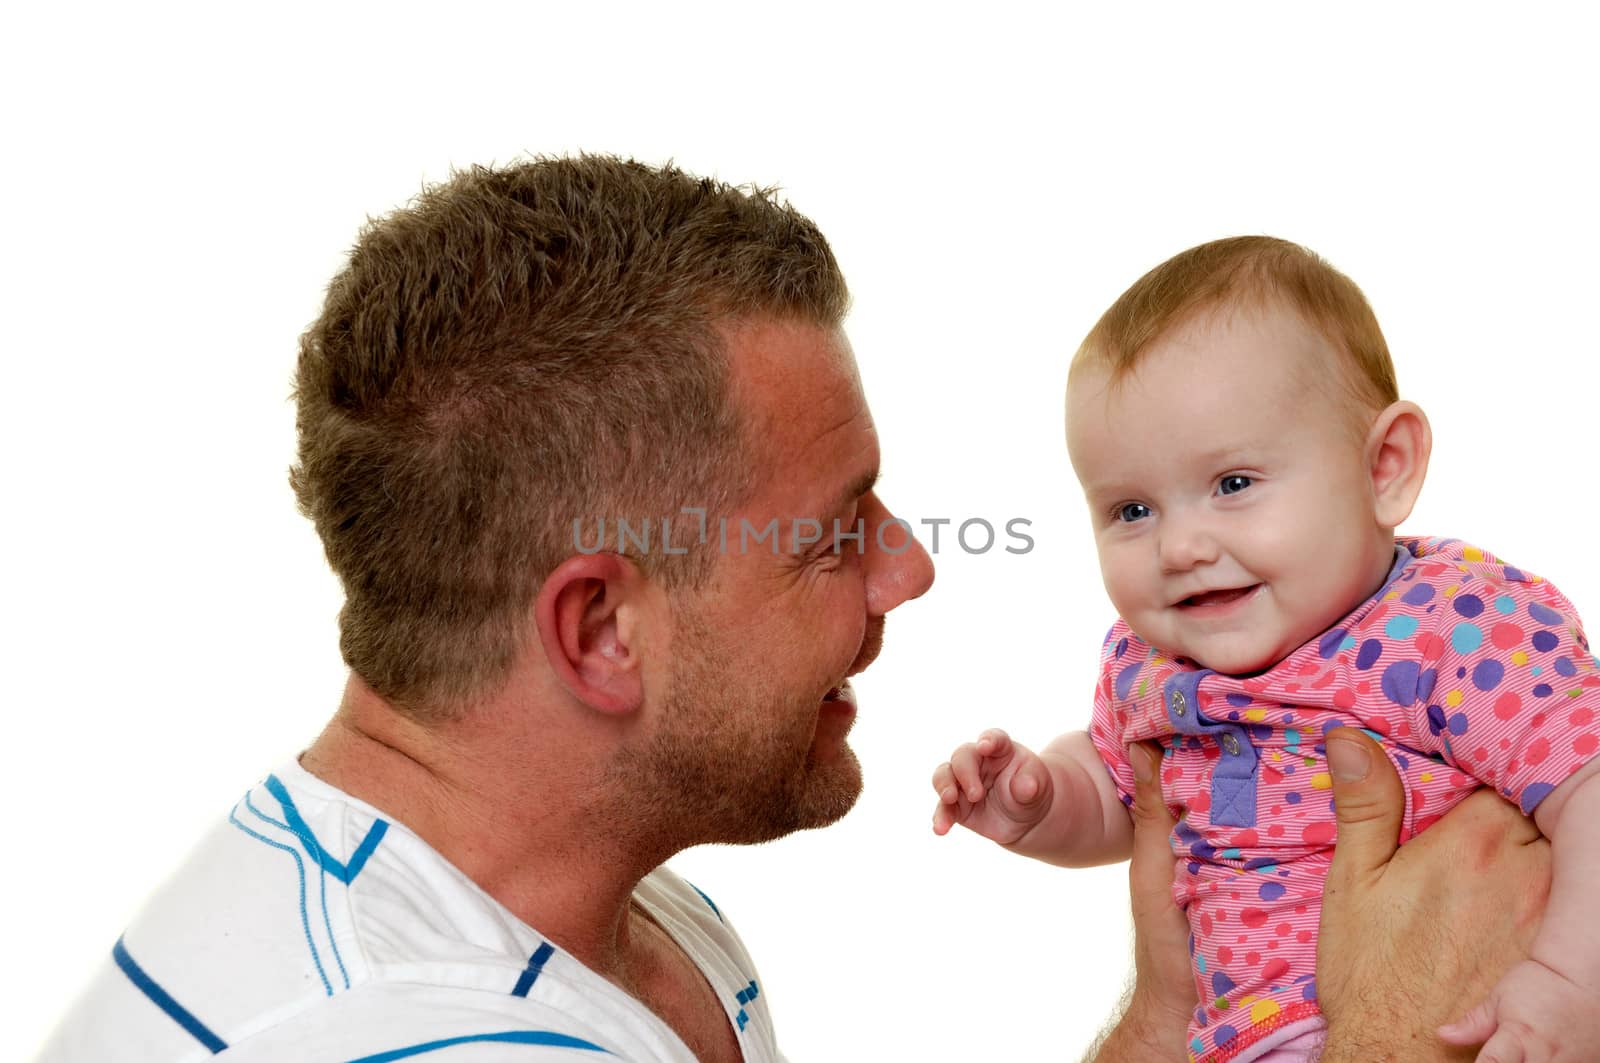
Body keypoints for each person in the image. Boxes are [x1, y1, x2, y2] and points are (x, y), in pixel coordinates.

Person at [40, 155, 936, 1061]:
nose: (910, 569)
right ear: (601, 633)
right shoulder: (419, 1036)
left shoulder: (631, 923)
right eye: (833, 535)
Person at [933, 237, 1600, 1060]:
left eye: (1234, 484)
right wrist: (1045, 798)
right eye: (1132, 511)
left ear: (1384, 468)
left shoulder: (1454, 624)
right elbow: (1125, 793)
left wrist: (1572, 981)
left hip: (1469, 1015)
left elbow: (1590, 790)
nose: (1179, 547)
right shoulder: (1150, 661)